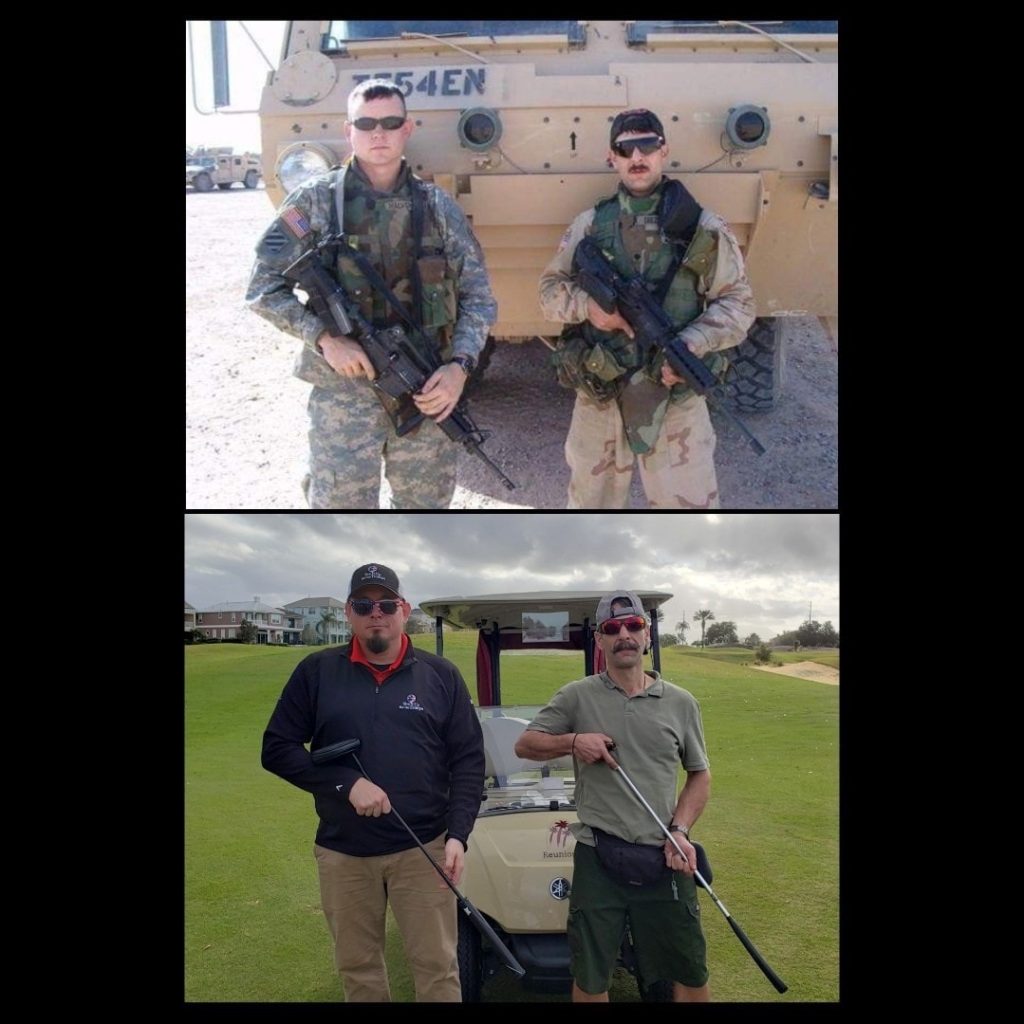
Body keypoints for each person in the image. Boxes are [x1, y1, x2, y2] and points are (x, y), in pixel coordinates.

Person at [246, 79, 497, 508]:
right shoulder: (314, 203)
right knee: (341, 515)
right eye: (365, 123)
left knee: (427, 515)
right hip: (346, 393)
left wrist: (459, 367)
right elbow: (262, 288)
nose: (378, 133)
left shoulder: (437, 207)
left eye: (389, 122)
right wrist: (325, 339)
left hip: (424, 386)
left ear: (407, 129)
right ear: (349, 132)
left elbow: (478, 294)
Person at [261, 563, 485, 1002]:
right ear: (349, 612)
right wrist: (345, 785)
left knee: (438, 969)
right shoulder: (317, 671)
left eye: (386, 603)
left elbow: (469, 761)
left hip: (425, 848)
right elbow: (277, 748)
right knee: (359, 972)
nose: (375, 613)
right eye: (364, 604)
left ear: (403, 609)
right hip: (344, 853)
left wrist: (458, 835)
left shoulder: (440, 676)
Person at [538, 108, 757, 508]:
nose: (637, 157)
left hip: (674, 394)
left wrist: (693, 343)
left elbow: (739, 305)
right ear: (613, 158)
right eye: (626, 149)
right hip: (601, 389)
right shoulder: (590, 224)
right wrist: (591, 308)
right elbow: (550, 291)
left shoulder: (702, 227)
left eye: (647, 146)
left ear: (663, 151)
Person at [514, 591, 712, 1002]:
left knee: (690, 969)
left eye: (633, 626)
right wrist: (573, 741)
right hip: (597, 854)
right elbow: (525, 744)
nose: (624, 634)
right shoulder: (576, 696)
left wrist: (680, 829)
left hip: (665, 853)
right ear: (599, 639)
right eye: (612, 628)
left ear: (647, 634)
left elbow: (699, 774)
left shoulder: (681, 703)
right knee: (591, 975)